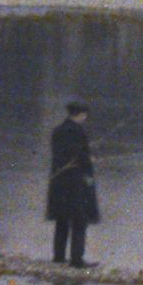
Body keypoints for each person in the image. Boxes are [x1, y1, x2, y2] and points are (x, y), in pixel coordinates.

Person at [46, 100, 99, 268]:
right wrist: (90, 159)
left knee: (62, 219)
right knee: (79, 220)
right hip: (76, 182)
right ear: (81, 114)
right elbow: (78, 156)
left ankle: (58, 257)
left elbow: (64, 153)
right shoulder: (78, 131)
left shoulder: (57, 130)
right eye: (85, 115)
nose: (85, 118)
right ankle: (77, 260)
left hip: (59, 181)